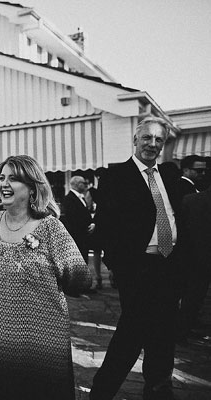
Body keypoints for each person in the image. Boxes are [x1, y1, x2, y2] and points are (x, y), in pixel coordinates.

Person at [0, 155, 91, 399]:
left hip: (38, 345)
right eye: (1, 178)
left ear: (32, 187)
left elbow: (81, 279)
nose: (3, 184)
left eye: (13, 178)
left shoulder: (50, 228)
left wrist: (50, 267)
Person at [90, 116, 180, 400]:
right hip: (139, 269)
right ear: (135, 140)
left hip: (169, 266)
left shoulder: (169, 176)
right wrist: (121, 268)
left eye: (158, 139)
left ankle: (158, 390)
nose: (152, 144)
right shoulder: (116, 177)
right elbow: (105, 227)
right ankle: (101, 393)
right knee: (132, 334)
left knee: (164, 333)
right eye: (147, 138)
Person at [177, 186, 211, 341]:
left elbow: (181, 230)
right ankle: (184, 328)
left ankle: (182, 329)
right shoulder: (191, 199)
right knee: (195, 295)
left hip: (193, 256)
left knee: (191, 295)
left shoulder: (190, 200)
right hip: (201, 257)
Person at [60, 175, 95, 263]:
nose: (86, 185)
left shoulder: (80, 197)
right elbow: (73, 219)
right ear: (77, 184)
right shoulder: (69, 199)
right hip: (77, 237)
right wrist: (85, 227)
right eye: (84, 183)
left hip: (83, 237)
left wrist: (91, 223)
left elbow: (85, 213)